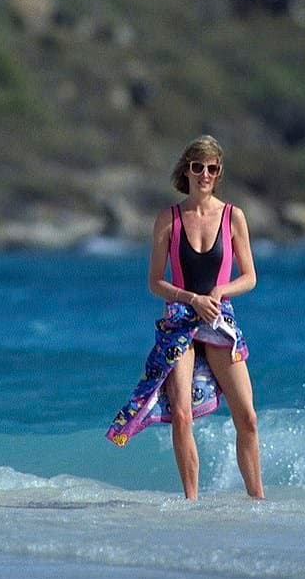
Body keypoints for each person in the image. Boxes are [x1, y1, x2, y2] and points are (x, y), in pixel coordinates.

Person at [106, 135, 264, 500]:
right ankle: (191, 502)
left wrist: (219, 293)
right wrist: (191, 297)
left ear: (218, 173)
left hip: (219, 323)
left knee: (249, 419)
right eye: (198, 167)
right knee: (181, 415)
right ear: (187, 170)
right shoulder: (169, 218)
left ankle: (257, 500)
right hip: (180, 323)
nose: (204, 174)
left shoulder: (233, 216)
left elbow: (250, 277)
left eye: (212, 168)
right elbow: (155, 282)